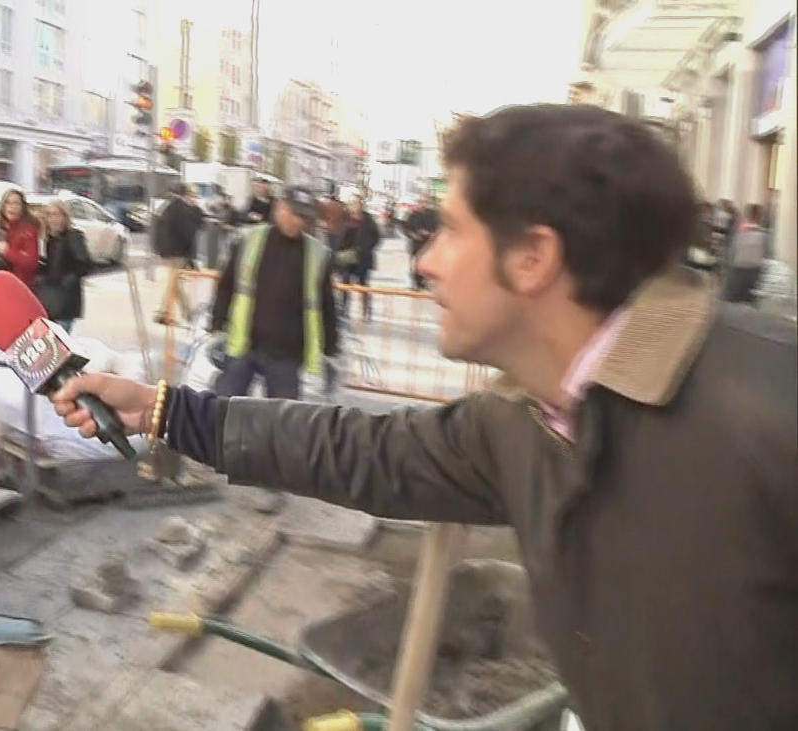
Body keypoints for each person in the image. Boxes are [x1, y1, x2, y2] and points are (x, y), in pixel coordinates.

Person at [49, 104, 797, 731]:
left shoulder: (769, 410)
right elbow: (365, 450)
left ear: (532, 257)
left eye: (449, 229)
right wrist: (160, 408)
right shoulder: (520, 417)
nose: (426, 261)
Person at [209, 186, 340, 400]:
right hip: (244, 345)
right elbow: (227, 286)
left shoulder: (317, 254)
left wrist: (330, 348)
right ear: (280, 209)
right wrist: (216, 325)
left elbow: (326, 304)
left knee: (284, 421)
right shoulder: (249, 240)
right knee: (224, 410)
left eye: (305, 218)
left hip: (288, 353)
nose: (299, 222)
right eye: (295, 214)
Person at [36, 199, 92, 333]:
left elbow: (85, 264)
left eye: (56, 214)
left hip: (66, 299)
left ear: (64, 217)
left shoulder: (73, 236)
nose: (53, 219)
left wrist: (68, 280)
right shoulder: (46, 239)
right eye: (49, 215)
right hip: (48, 298)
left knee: (60, 341)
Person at [152, 184, 204, 325]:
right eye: (193, 196)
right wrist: (191, 259)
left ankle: (165, 312)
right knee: (175, 282)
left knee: (174, 282)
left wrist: (158, 249)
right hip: (177, 252)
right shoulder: (184, 211)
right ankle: (182, 314)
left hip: (170, 251)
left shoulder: (172, 208)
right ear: (185, 196)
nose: (194, 199)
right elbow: (187, 236)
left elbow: (159, 228)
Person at [335, 195, 381, 319]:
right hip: (347, 257)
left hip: (363, 257)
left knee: (363, 284)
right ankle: (343, 309)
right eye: (353, 203)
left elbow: (377, 236)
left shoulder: (368, 219)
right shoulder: (345, 218)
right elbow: (338, 235)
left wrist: (367, 247)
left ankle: (366, 310)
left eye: (358, 203)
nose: (355, 206)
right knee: (345, 283)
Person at [0, 188, 42, 287]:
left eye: (16, 203)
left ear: (22, 207)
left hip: (21, 286)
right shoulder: (2, 227)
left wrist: (7, 251)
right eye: (8, 203)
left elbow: (31, 263)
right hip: (1, 284)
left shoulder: (28, 230)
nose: (12, 207)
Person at [722, 203, 768, 305]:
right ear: (760, 216)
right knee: (749, 300)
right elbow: (765, 254)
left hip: (737, 269)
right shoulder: (763, 234)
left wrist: (726, 268)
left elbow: (731, 250)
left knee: (733, 300)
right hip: (754, 271)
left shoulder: (739, 231)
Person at [404, 194, 439, 289]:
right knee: (416, 264)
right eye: (419, 202)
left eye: (423, 202)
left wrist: (430, 234)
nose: (421, 204)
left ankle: (425, 281)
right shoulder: (412, 215)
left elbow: (437, 228)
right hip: (416, 244)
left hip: (428, 244)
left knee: (427, 264)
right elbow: (406, 228)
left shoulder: (432, 215)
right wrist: (413, 234)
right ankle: (416, 282)